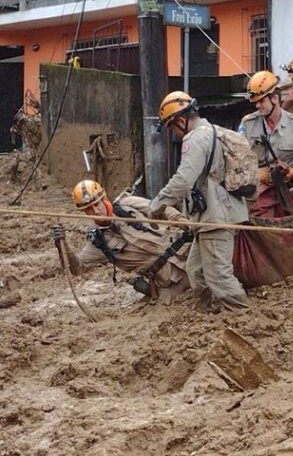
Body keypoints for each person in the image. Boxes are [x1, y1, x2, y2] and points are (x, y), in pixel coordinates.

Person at [148, 91, 250, 310]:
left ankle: (242, 316)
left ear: (181, 120)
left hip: (216, 215)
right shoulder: (211, 131)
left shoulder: (196, 138)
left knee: (218, 275)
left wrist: (157, 204)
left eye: (172, 127)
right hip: (211, 215)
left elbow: (183, 179)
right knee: (196, 269)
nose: (174, 133)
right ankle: (209, 313)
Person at [49, 180, 190, 300]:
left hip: (187, 254)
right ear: (85, 213)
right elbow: (78, 268)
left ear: (104, 198)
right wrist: (61, 245)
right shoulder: (98, 243)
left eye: (97, 204)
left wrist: (183, 222)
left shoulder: (127, 203)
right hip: (170, 281)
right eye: (90, 209)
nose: (97, 211)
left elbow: (162, 209)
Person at [238, 70, 293, 186]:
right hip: (256, 188)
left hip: (287, 186)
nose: (257, 106)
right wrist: (257, 173)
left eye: (261, 101)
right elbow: (237, 160)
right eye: (256, 102)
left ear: (275, 99)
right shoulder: (247, 123)